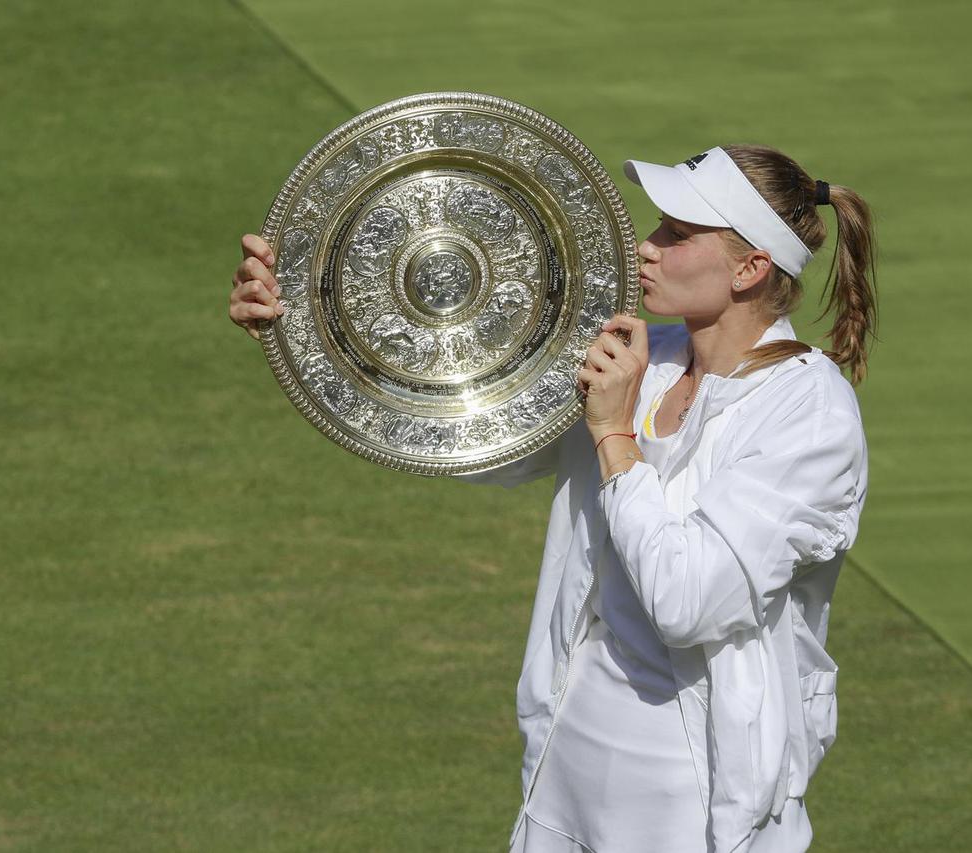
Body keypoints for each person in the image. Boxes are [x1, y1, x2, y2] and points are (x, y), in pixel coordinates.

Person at [228, 143, 876, 853]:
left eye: (677, 236)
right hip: (567, 764)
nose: (643, 247)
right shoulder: (643, 356)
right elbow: (465, 437)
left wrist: (613, 434)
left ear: (751, 268)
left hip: (699, 799)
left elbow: (689, 600)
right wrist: (304, 325)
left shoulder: (808, 411)